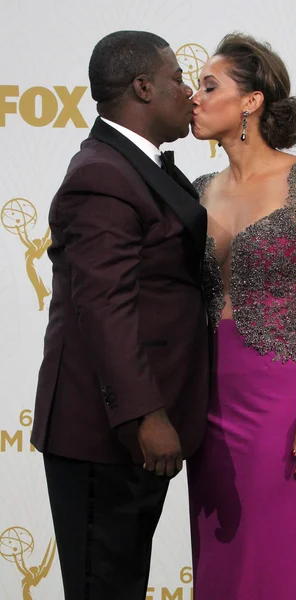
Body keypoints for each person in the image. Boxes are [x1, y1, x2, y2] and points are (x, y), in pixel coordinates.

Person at [30, 30, 210, 600]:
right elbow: (104, 305)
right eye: (178, 79)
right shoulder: (103, 175)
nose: (188, 93)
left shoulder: (135, 165)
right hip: (107, 438)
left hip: (133, 434)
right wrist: (145, 416)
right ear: (142, 86)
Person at [188, 33, 296, 599]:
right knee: (220, 550)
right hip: (207, 393)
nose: (194, 97)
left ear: (251, 102)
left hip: (283, 392)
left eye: (209, 85)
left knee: (281, 548)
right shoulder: (198, 190)